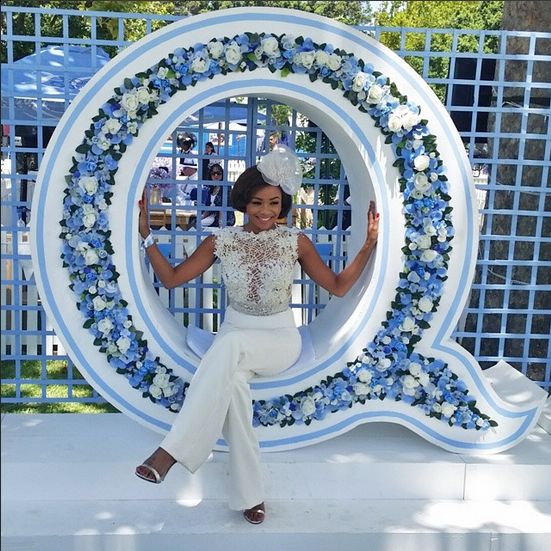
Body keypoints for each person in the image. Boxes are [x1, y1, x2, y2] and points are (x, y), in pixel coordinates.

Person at [135, 144, 379, 524]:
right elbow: (172, 279)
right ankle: (252, 496)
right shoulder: (220, 241)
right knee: (233, 387)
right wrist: (147, 236)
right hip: (235, 338)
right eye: (257, 203)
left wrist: (368, 245)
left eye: (274, 203)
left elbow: (337, 285)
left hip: (278, 340)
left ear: (283, 204)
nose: (266, 211)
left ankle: (170, 453)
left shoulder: (295, 241)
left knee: (230, 345)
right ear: (243, 203)